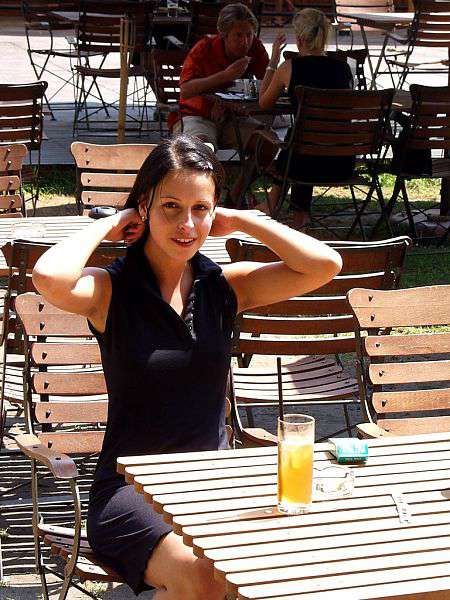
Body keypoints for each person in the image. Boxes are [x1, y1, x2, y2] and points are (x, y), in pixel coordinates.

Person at [32, 135, 342, 599]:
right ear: (145, 207)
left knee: (297, 562)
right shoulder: (111, 291)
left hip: (213, 482)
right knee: (203, 578)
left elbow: (325, 264)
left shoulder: (225, 287)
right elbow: (48, 276)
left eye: (200, 209)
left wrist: (243, 220)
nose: (187, 224)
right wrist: (114, 221)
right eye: (171, 207)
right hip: (131, 489)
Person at [257, 8, 355, 229]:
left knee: (298, 140)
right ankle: (294, 214)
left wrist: (273, 60)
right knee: (305, 137)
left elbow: (264, 103)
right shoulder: (344, 69)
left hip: (303, 164)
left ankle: (272, 204)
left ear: (299, 39)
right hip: (341, 163)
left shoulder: (289, 67)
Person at [169, 3, 269, 157]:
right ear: (224, 34)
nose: (245, 42)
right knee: (199, 151)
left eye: (249, 35)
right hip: (197, 116)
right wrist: (226, 75)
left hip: (234, 118)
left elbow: (269, 85)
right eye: (238, 35)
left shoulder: (255, 47)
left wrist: (274, 64)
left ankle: (243, 175)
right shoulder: (204, 48)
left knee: (267, 144)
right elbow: (186, 90)